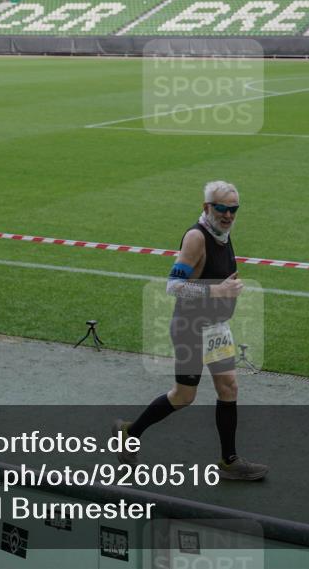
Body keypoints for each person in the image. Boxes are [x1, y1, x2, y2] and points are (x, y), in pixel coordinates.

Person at [113, 181, 268, 480]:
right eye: (222, 208)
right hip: (191, 329)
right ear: (206, 207)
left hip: (215, 328)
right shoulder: (197, 238)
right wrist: (217, 292)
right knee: (184, 396)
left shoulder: (222, 232)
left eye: (233, 209)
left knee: (229, 388)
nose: (228, 215)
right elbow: (174, 285)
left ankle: (229, 461)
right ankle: (129, 431)